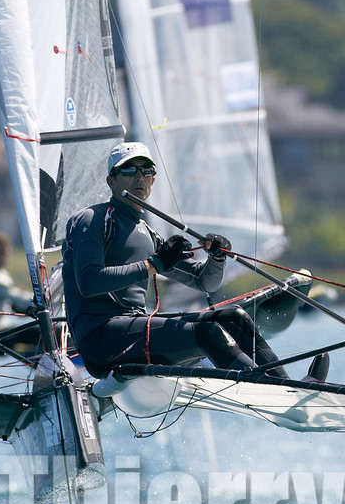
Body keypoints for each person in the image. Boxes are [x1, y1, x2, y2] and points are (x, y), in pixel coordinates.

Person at [59, 142, 284, 378]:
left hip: (134, 330)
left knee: (234, 318)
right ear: (111, 181)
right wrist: (153, 265)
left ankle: (287, 386)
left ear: (153, 180)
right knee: (209, 334)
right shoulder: (92, 219)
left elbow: (204, 282)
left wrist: (217, 259)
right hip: (101, 342)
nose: (139, 177)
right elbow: (88, 283)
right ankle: (268, 388)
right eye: (129, 170)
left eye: (146, 171)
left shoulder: (147, 234)